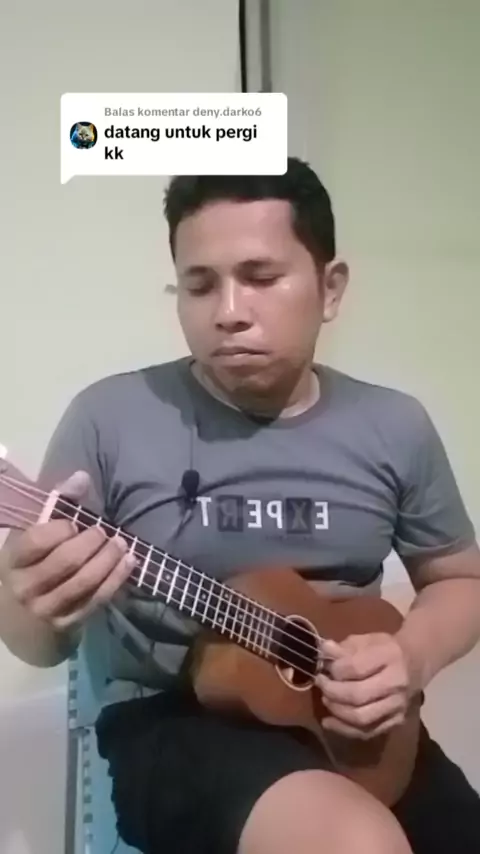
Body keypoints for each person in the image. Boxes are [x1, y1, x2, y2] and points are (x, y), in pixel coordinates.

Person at [1, 157, 479, 854]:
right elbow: (35, 642)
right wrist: (32, 600)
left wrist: (411, 655)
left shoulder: (395, 426)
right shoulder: (109, 418)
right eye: (199, 285)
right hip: (176, 725)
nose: (228, 312)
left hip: (355, 730)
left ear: (330, 287)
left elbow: (460, 580)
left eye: (260, 277)